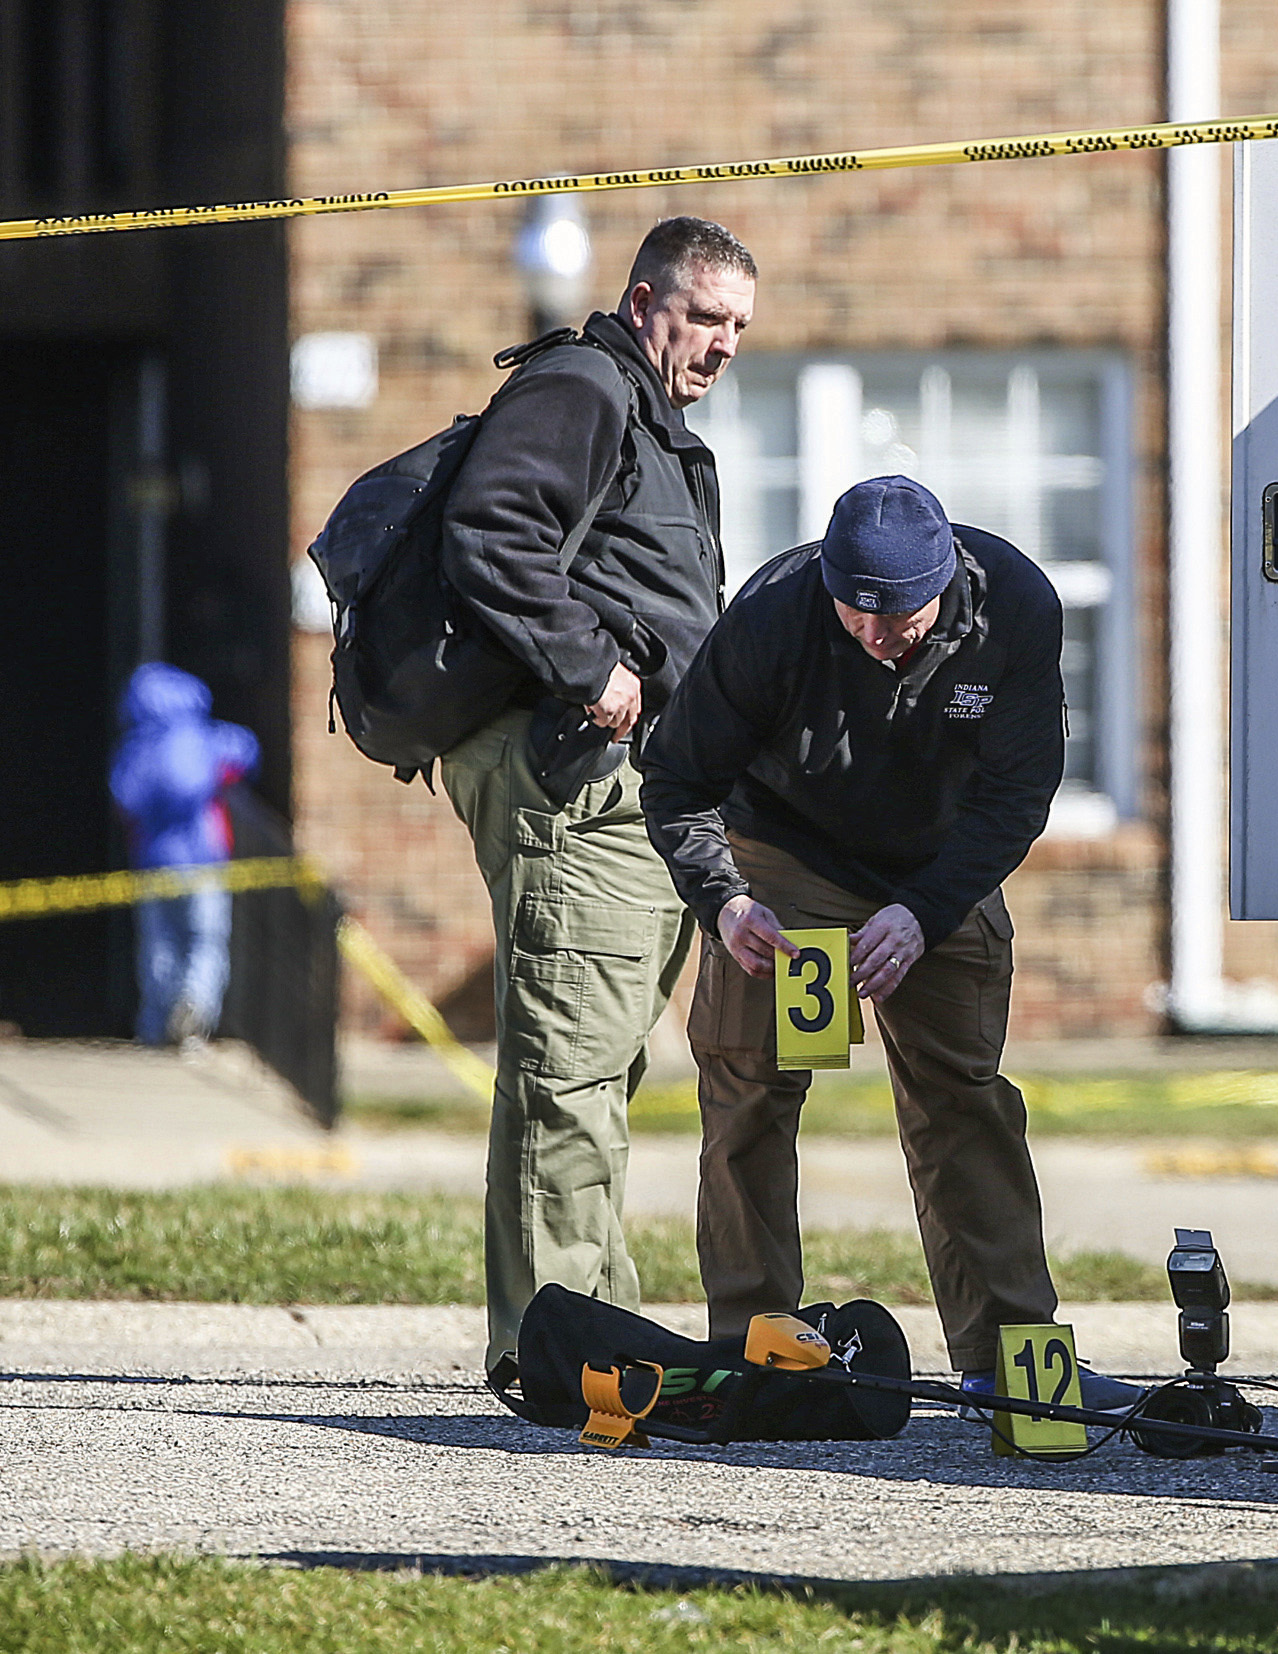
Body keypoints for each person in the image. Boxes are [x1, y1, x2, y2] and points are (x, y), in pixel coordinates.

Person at [641, 475, 1143, 1410]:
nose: (875, 636)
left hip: (937, 867)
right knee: (753, 1085)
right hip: (787, 857)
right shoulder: (773, 619)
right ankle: (758, 1344)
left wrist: (925, 911)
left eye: (900, 617)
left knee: (962, 1096)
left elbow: (1017, 796)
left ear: (946, 580)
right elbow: (676, 780)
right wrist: (729, 904)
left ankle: (1010, 1358)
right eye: (854, 614)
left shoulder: (1015, 608)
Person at [438, 215, 755, 1379]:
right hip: (575, 779)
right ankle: (559, 1346)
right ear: (642, 300)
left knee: (599, 1061)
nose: (721, 344)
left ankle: (587, 1325)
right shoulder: (584, 384)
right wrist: (597, 667)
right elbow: (491, 528)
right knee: (570, 1064)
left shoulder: (654, 421)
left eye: (738, 327)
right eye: (703, 316)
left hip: (632, 791)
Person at [109, 663, 259, 1049]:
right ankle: (194, 1012)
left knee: (159, 946)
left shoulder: (135, 748)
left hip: (153, 860)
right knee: (205, 941)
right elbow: (246, 751)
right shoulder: (205, 739)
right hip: (203, 857)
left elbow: (124, 799)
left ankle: (155, 1026)